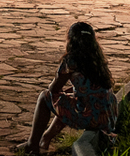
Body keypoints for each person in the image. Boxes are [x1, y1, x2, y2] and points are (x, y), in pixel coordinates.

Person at [16, 22, 118, 154]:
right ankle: (46, 139)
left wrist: (58, 81)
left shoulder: (72, 61)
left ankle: (32, 144)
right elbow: (88, 89)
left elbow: (53, 89)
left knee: (45, 97)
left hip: (91, 118)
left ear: (70, 40)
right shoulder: (98, 60)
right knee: (67, 100)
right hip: (106, 117)